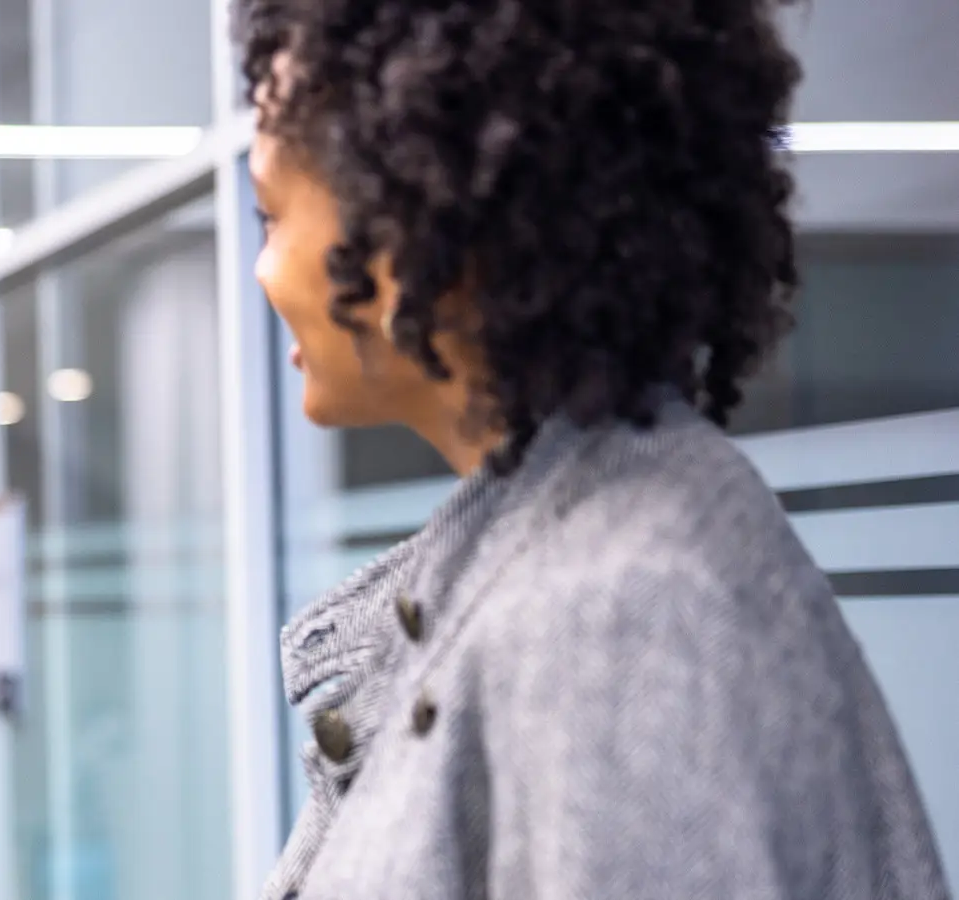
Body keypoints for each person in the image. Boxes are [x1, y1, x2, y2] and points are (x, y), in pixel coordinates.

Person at [234, 0, 951, 897]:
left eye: (269, 214)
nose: (259, 269)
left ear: (417, 228)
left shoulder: (619, 620)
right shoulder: (587, 547)